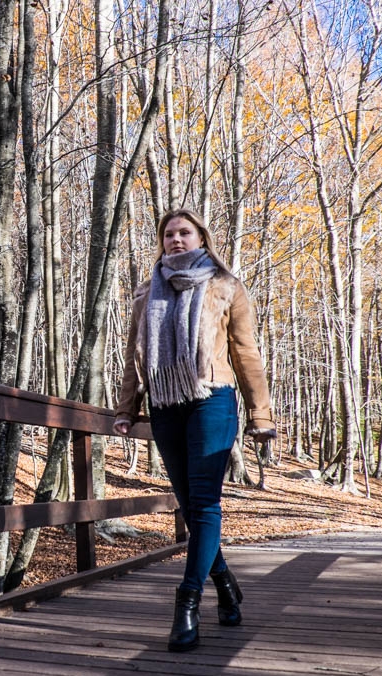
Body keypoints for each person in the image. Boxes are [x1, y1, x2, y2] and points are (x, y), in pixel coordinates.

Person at [113, 208, 275, 652]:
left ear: (201, 236)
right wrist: (127, 408)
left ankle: (187, 603)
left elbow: (247, 354)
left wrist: (261, 415)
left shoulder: (226, 286)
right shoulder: (147, 292)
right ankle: (224, 583)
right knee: (190, 505)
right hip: (166, 405)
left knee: (203, 504)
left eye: (185, 232)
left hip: (212, 399)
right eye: (169, 234)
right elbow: (135, 356)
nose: (176, 239)